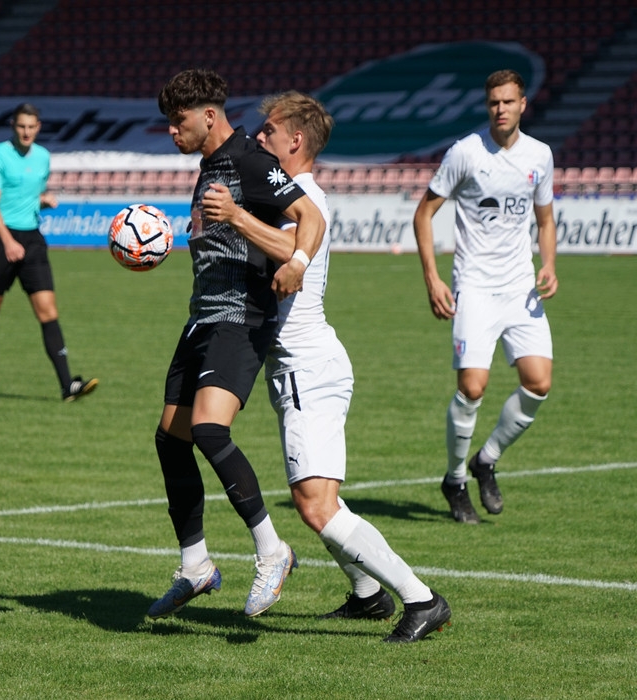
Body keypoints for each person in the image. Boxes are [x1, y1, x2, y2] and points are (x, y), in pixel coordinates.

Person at [202, 91, 451, 643]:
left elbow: (286, 248)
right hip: (299, 367)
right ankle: (367, 595)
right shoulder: (288, 196)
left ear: (295, 140)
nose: (258, 138)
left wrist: (235, 216)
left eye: (268, 131)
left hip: (309, 367)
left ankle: (422, 599)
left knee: (315, 505)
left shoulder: (306, 198)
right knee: (317, 500)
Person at [147, 69, 324, 620]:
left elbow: (310, 217)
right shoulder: (208, 167)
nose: (172, 132)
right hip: (201, 318)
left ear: (208, 115)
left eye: (178, 121)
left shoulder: (249, 158)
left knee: (208, 429)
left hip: (242, 316)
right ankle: (195, 565)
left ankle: (273, 551)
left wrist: (296, 260)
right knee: (171, 439)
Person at [413, 69, 557, 524]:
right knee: (472, 387)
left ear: (523, 104)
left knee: (539, 383)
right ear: (487, 105)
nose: (500, 109)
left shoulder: (540, 155)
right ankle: (455, 479)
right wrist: (433, 279)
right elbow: (424, 213)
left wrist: (549, 264)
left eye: (508, 102)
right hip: (474, 286)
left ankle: (486, 460)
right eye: (494, 102)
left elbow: (545, 219)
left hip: (520, 287)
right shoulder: (466, 153)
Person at [0, 102, 97, 402]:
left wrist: (42, 201)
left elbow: (27, 195)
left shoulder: (43, 157)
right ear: (13, 126)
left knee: (48, 311)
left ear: (38, 127)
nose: (26, 132)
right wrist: (7, 241)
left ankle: (67, 386)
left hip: (33, 238)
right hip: (2, 238)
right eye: (21, 126)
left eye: (31, 127)